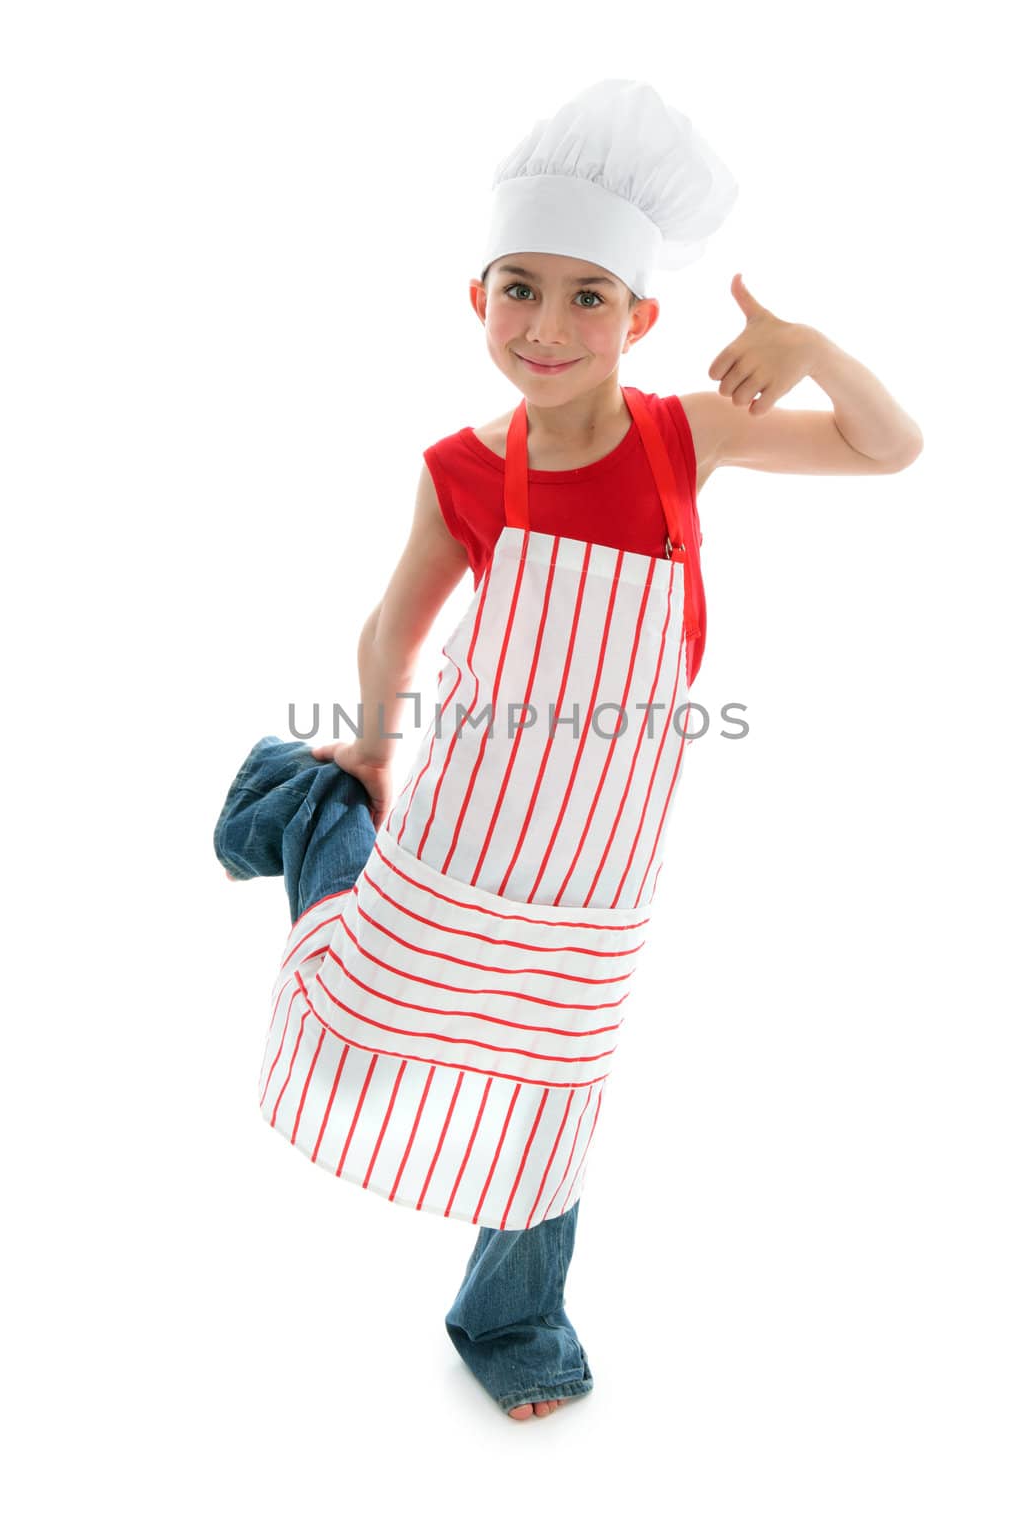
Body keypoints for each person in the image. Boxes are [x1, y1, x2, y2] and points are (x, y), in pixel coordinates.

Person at [213, 78, 923, 1422]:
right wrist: (364, 752)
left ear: (641, 319)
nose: (546, 325)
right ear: (474, 301)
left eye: (587, 296)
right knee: (370, 1004)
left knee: (555, 1076)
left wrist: (815, 344)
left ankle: (509, 1313)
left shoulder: (685, 436)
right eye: (518, 288)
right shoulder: (460, 468)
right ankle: (314, 816)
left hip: (603, 847)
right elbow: (392, 629)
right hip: (471, 804)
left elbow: (888, 451)